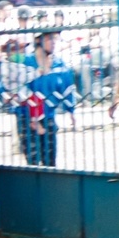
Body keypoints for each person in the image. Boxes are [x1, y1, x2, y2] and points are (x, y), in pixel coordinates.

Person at [22, 31, 78, 167]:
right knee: (32, 162)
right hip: (28, 118)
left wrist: (71, 110)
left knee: (50, 161)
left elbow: (67, 87)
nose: (53, 42)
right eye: (48, 39)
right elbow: (19, 89)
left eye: (54, 38)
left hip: (49, 117)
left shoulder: (59, 64)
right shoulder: (26, 63)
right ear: (37, 41)